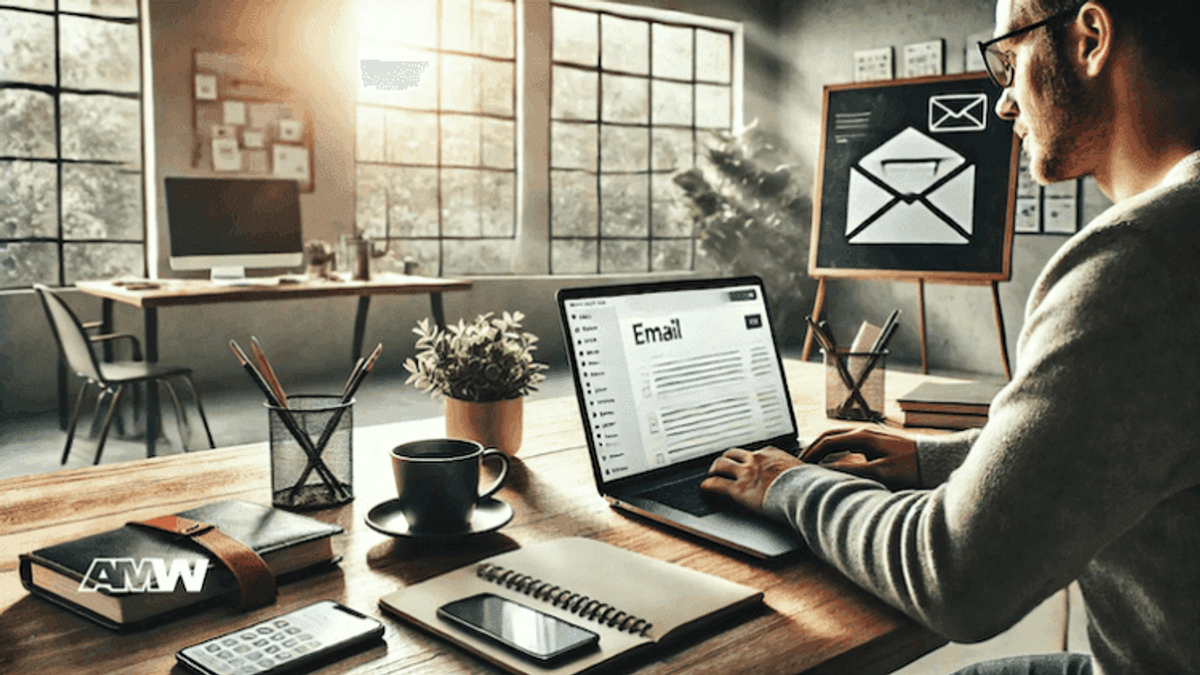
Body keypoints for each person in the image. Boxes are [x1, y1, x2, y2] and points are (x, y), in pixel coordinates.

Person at [701, 1, 1200, 674]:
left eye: (1009, 59)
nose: (1001, 105)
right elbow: (1119, 434)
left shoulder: (1138, 266)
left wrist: (787, 484)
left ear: (1090, 39)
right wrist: (929, 462)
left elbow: (956, 576)